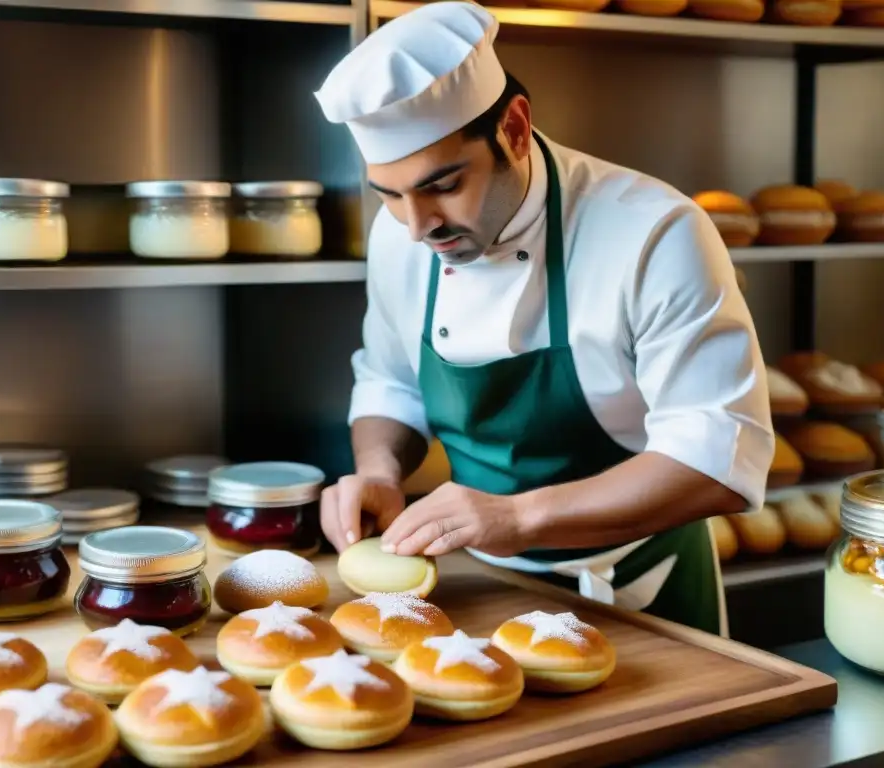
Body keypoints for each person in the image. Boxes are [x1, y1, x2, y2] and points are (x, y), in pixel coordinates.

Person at [312, 0, 774, 635]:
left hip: (638, 593)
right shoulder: (402, 238)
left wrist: (521, 517)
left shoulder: (653, 234)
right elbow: (391, 381)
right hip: (481, 588)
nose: (419, 227)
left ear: (516, 129)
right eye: (390, 195)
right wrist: (379, 472)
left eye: (444, 186)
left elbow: (716, 457)